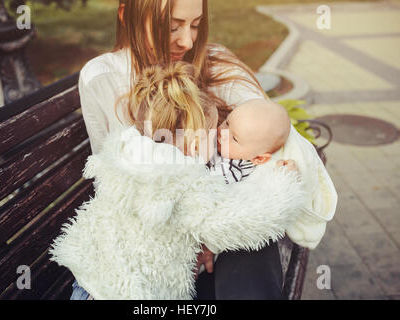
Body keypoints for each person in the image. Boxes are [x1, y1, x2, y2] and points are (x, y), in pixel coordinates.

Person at [74, 0, 334, 300]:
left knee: (251, 241)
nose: (187, 41)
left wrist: (214, 239)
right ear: (125, 14)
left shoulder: (215, 61)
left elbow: (277, 142)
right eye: (172, 27)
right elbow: (114, 180)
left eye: (195, 24)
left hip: (217, 243)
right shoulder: (102, 78)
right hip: (154, 253)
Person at [49, 62, 305, 300]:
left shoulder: (130, 151)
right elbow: (245, 221)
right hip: (131, 293)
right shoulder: (185, 182)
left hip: (87, 283)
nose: (218, 136)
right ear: (194, 144)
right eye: (215, 130)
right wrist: (283, 183)